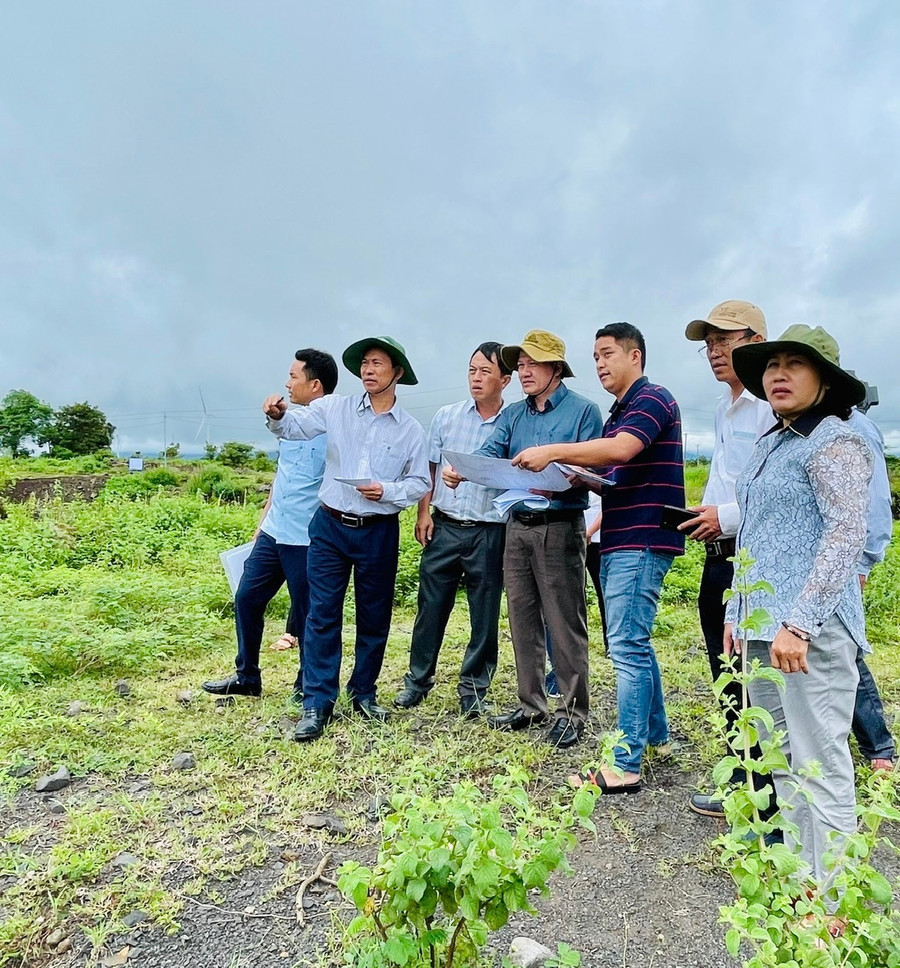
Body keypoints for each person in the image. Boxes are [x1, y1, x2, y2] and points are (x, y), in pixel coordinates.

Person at [725, 324, 873, 893]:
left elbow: (845, 534)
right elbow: (758, 536)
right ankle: (801, 882)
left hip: (808, 633)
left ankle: (833, 898)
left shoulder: (836, 440)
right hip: (765, 628)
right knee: (779, 755)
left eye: (794, 364)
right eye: (770, 366)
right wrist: (740, 615)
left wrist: (800, 621)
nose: (777, 374)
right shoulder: (773, 441)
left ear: (825, 380)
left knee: (821, 759)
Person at [513, 323, 684, 791]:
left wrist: (551, 451)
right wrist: (582, 479)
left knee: (626, 645)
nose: (601, 364)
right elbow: (614, 474)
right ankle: (656, 736)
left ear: (636, 356)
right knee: (635, 642)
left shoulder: (652, 399)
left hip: (641, 538)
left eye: (608, 354)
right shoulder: (621, 411)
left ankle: (626, 763)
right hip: (623, 535)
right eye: (595, 357)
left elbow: (622, 451)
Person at [444, 329, 604, 748]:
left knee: (565, 622)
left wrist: (559, 474)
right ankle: (531, 704)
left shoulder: (583, 412)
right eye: (521, 364)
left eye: (533, 363)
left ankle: (573, 711)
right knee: (522, 617)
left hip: (559, 526)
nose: (524, 370)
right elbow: (492, 452)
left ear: (556, 368)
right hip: (517, 526)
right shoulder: (515, 414)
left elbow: (594, 469)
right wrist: (464, 469)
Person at [264, 336, 429, 741]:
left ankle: (364, 694)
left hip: (377, 531)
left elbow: (420, 481)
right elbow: (295, 426)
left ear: (397, 373)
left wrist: (386, 492)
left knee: (374, 617)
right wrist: (278, 414)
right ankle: (317, 702)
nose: (369, 370)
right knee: (322, 613)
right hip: (330, 526)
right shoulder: (333, 408)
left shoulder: (410, 430)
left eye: (377, 363)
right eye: (365, 364)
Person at [681, 301, 774, 819]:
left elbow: (777, 491)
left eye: (726, 339)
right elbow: (729, 481)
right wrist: (705, 516)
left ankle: (764, 785)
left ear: (757, 340)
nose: (715, 351)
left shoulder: (771, 404)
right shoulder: (724, 406)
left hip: (754, 555)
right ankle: (745, 774)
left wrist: (726, 517)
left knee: (754, 667)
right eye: (709, 343)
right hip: (720, 552)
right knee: (724, 666)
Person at [202, 348, 337, 700]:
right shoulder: (290, 426)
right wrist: (261, 524)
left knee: (308, 615)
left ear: (316, 386)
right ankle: (247, 676)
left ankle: (305, 683)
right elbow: (282, 478)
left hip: (307, 539)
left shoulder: (336, 430)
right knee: (246, 598)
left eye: (294, 377)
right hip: (274, 532)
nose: (287, 384)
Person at [393, 342, 511, 717]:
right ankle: (418, 681)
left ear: (504, 380)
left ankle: (473, 690)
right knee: (430, 608)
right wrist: (422, 513)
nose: (476, 378)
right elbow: (428, 469)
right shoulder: (447, 417)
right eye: (472, 370)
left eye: (485, 372)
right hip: (444, 526)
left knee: (484, 613)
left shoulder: (514, 422)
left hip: (490, 531)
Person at [847, 406, 896, 772]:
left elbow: (877, 501)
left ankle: (879, 748)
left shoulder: (857, 426)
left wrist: (864, 562)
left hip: (846, 560)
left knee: (845, 651)